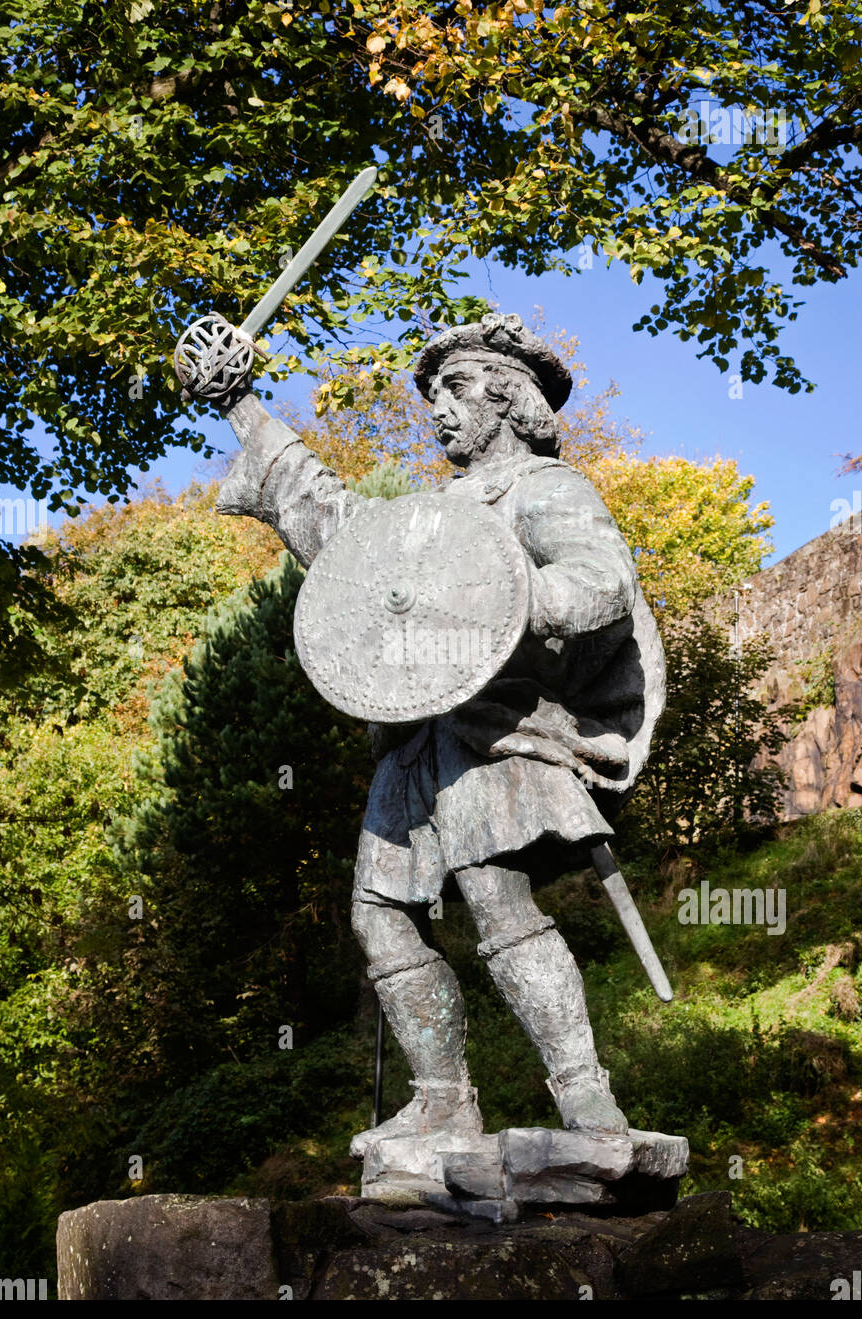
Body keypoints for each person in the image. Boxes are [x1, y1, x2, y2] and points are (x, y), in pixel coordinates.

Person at [213, 312, 664, 1154]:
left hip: (499, 725)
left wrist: (509, 601)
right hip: (418, 732)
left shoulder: (545, 487)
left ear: (509, 394)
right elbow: (337, 528)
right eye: (433, 395)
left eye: (456, 388)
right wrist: (241, 405)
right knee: (377, 913)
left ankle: (586, 1101)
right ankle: (442, 1103)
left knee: (496, 897)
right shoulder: (432, 511)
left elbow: (602, 582)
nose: (439, 409)